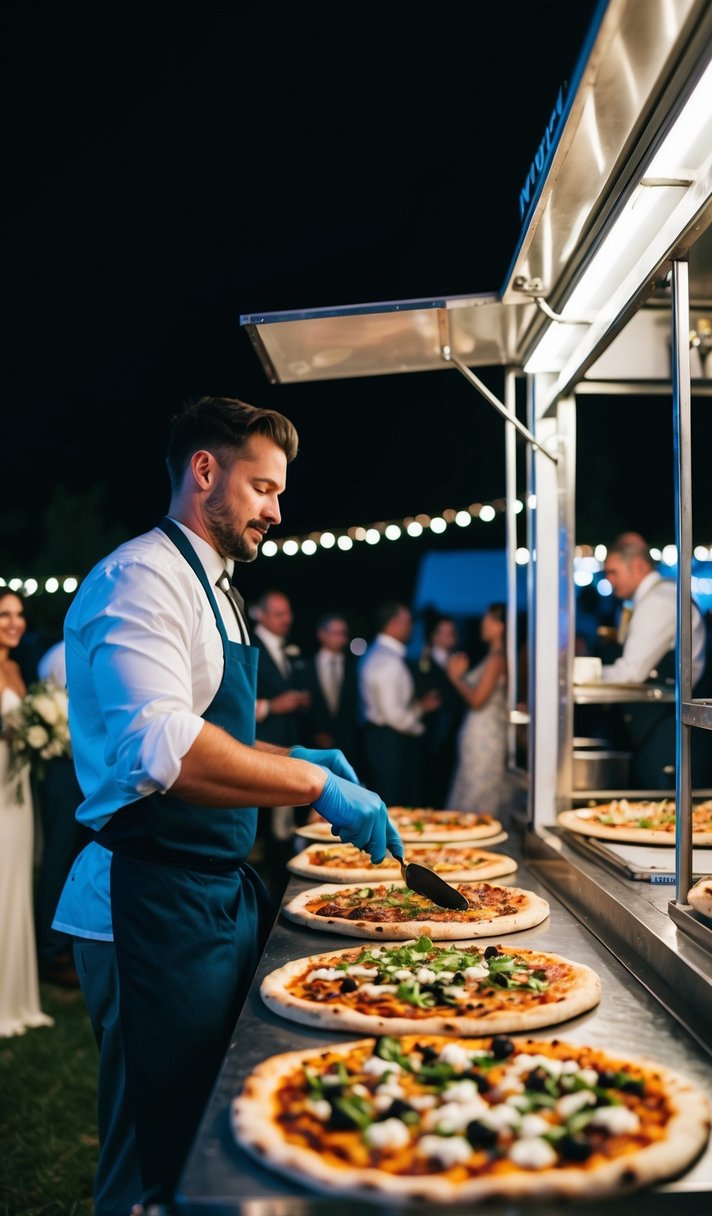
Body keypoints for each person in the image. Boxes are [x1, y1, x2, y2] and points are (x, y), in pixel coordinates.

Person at [52, 395, 402, 1213]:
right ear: (204, 471)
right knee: (149, 1155)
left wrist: (291, 757)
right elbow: (160, 749)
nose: (277, 512)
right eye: (263, 489)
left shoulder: (220, 588)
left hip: (207, 895)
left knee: (207, 1133)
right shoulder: (139, 578)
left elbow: (218, 736)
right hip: (145, 903)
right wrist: (316, 785)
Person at [600, 536, 708, 787]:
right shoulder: (648, 600)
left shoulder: (659, 601)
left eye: (613, 572)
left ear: (637, 566)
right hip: (657, 725)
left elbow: (631, 672)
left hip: (669, 727)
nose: (609, 580)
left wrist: (581, 674)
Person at [0, 590, 54, 1038]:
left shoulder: (17, 669)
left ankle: (18, 1000)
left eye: (18, 615)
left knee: (18, 885)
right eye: (4, 615)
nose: (13, 623)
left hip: (18, 793)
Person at [249, 589, 312, 899]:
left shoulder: (290, 651)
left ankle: (279, 884)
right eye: (279, 614)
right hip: (258, 747)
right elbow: (236, 702)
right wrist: (273, 706)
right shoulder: (250, 645)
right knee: (261, 826)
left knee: (283, 824)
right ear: (260, 614)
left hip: (288, 743)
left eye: (288, 613)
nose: (288, 620)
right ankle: (262, 889)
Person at [34, 638, 88, 988]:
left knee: (75, 854)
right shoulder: (61, 654)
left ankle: (67, 942)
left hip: (82, 766)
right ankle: (51, 951)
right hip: (62, 767)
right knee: (59, 854)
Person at [359, 602, 441, 806]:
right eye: (408, 621)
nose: (412, 626)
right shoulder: (386, 660)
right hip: (389, 742)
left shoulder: (385, 655)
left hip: (384, 739)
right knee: (393, 803)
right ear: (394, 623)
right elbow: (394, 716)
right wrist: (421, 719)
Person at [445, 603, 510, 814]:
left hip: (485, 734)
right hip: (481, 731)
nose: (483, 624)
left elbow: (477, 700)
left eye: (488, 620)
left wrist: (457, 679)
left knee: (478, 792)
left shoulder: (498, 658)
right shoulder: (494, 656)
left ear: (500, 625)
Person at [413, 614, 464, 808]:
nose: (449, 636)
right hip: (432, 735)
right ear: (433, 636)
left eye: (452, 631)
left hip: (454, 733)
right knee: (432, 787)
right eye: (444, 632)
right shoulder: (423, 664)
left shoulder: (459, 659)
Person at [303, 612, 362, 759]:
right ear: (322, 634)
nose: (341, 638)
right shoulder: (305, 667)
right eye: (336, 633)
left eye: (344, 633)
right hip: (313, 747)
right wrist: (314, 733)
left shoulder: (353, 667)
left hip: (348, 746)